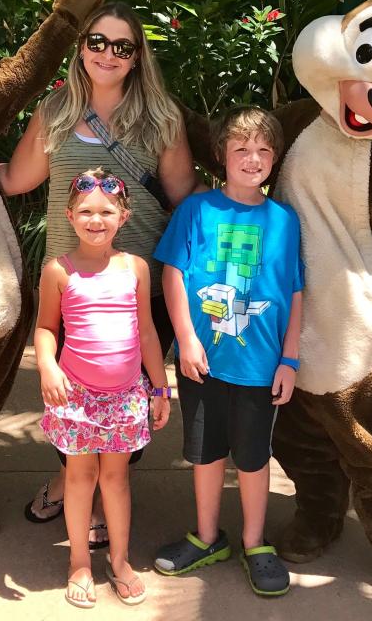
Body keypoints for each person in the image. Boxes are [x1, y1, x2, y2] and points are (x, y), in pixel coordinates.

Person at [0, 1, 197, 547]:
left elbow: (183, 198)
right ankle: (73, 478)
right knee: (70, 396)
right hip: (71, 286)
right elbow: (16, 179)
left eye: (122, 46)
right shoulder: (56, 111)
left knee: (130, 401)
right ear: (82, 47)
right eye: (97, 42)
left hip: (139, 286)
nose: (107, 54)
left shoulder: (163, 118)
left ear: (137, 57)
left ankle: (92, 489)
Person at [151, 106, 303, 597]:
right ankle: (208, 536)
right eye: (241, 148)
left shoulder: (284, 220)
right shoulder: (196, 211)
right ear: (221, 156)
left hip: (260, 367)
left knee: (255, 459)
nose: (252, 157)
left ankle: (256, 542)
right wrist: (186, 339)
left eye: (262, 149)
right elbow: (172, 272)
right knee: (206, 453)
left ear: (275, 157)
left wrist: (290, 359)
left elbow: (295, 291)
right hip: (202, 364)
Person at [36, 168, 171, 608]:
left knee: (116, 479)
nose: (97, 220)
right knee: (80, 478)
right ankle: (79, 561)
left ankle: (119, 559)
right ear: (70, 216)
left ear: (123, 216)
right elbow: (44, 328)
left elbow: (148, 333)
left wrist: (160, 388)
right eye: (87, 212)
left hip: (127, 396)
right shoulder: (58, 270)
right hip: (75, 397)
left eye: (107, 212)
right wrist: (47, 369)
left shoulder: (136, 268)